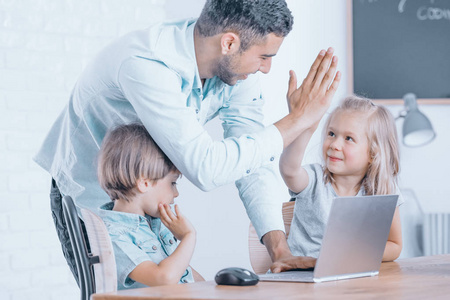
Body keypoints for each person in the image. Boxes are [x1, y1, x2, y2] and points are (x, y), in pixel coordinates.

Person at [34, 0, 341, 281]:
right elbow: (206, 169)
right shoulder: (145, 64)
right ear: (229, 42)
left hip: (147, 199)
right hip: (91, 198)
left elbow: (253, 162)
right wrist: (297, 120)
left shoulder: (235, 73)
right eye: (263, 56)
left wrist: (279, 250)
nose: (266, 68)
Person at [279, 95, 403, 264]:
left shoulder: (384, 189)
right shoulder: (313, 179)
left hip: (347, 280)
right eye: (331, 134)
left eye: (348, 138)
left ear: (373, 154)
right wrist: (304, 126)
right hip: (300, 276)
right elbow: (289, 170)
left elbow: (394, 245)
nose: (334, 144)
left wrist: (351, 255)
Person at [97, 123, 203, 289]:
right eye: (173, 183)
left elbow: (182, 273)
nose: (176, 194)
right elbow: (163, 278)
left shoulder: (155, 224)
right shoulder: (113, 236)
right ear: (145, 183)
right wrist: (189, 236)